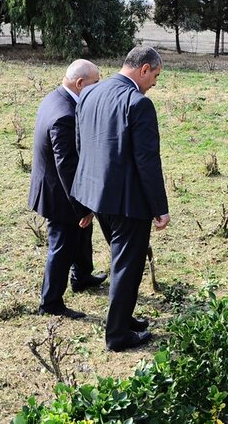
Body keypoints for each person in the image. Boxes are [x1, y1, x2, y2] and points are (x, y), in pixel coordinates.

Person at [72, 46, 170, 352]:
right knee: (127, 265)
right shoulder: (139, 104)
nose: (155, 82)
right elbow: (147, 160)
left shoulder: (89, 93)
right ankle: (117, 335)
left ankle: (124, 317)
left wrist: (87, 196)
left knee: (121, 261)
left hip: (98, 195)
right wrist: (160, 207)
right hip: (128, 202)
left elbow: (81, 143)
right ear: (143, 69)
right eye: (155, 75)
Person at [29, 59, 107, 320]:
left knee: (82, 235)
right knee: (61, 245)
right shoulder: (65, 114)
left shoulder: (56, 98)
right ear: (80, 83)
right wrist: (82, 206)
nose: (99, 88)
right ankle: (50, 302)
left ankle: (82, 276)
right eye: (96, 83)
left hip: (58, 186)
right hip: (60, 194)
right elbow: (67, 165)